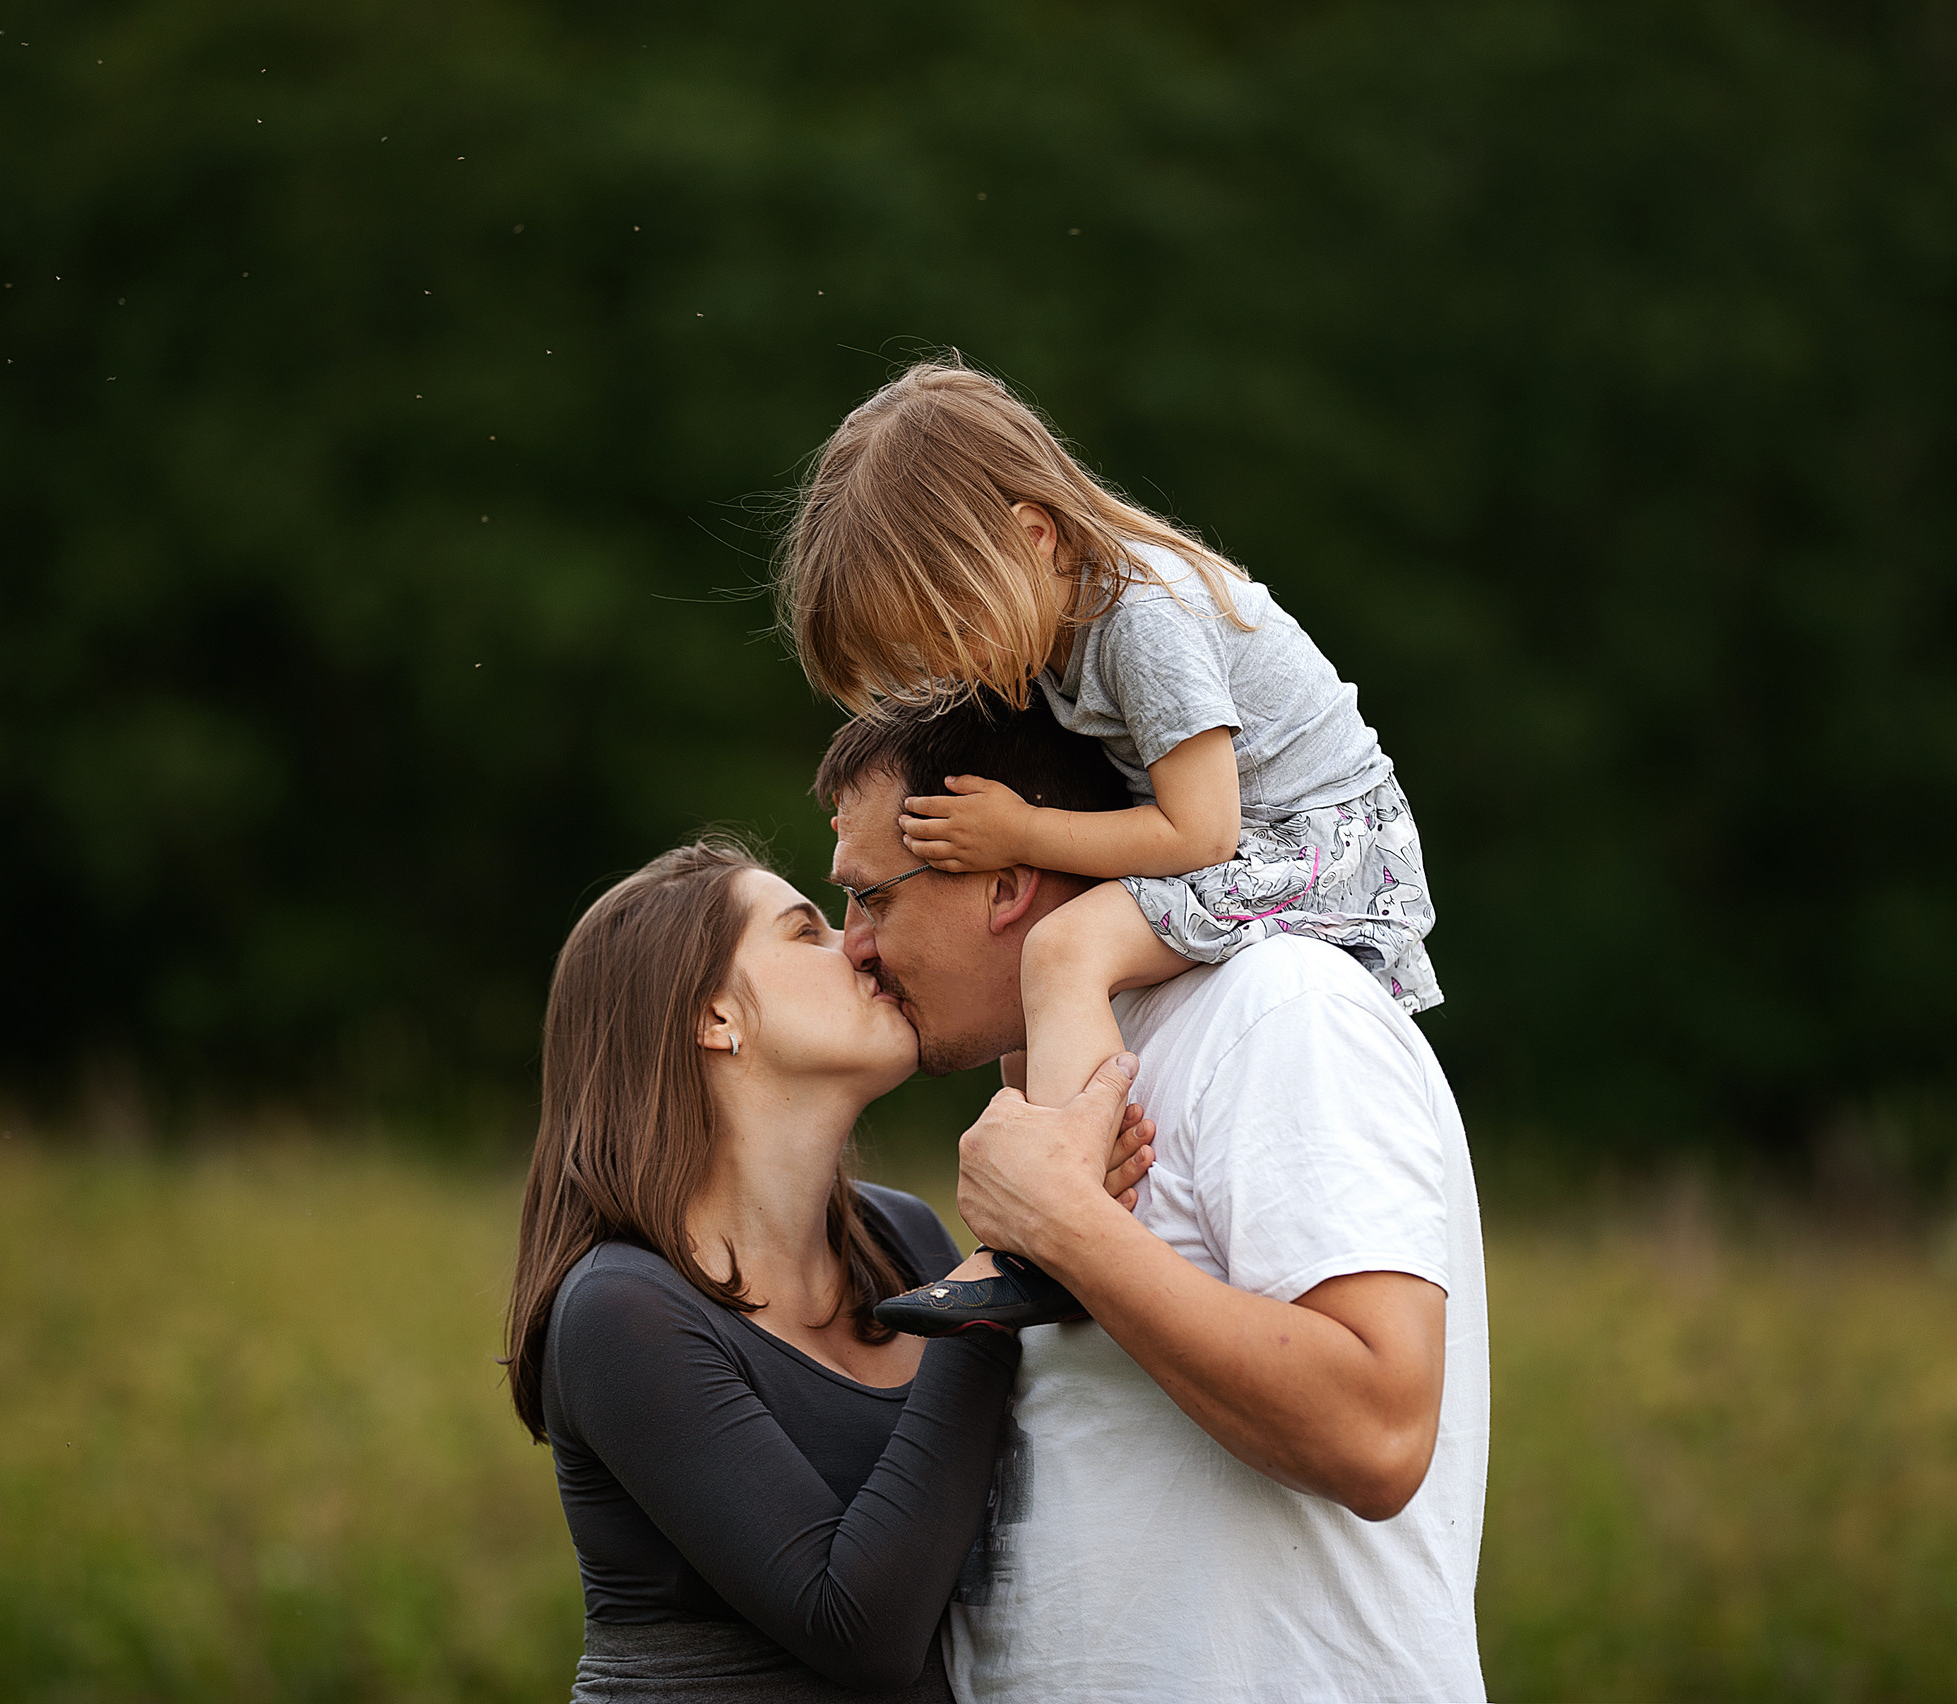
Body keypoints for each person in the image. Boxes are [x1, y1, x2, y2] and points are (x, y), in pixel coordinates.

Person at [818, 699, 1490, 1704]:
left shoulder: (1279, 1007)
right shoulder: (1086, 1054)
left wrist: (1064, 1227)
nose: (853, 947)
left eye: (872, 899)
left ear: (1004, 881)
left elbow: (1378, 1434)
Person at [778, 359, 1442, 1334]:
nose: (953, 671)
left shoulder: (1141, 620)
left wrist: (1018, 831)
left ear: (1032, 536)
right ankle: (1029, 1227)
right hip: (1255, 840)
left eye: (951, 632)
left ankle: (1060, 1225)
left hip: (1322, 846)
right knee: (1027, 997)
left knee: (1062, 948)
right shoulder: (1054, 621)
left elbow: (1202, 832)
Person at [501, 838, 1155, 1701]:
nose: (860, 946)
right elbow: (861, 1630)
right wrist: (1000, 1274)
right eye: (806, 931)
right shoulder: (621, 1311)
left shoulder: (899, 1237)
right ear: (715, 1017)